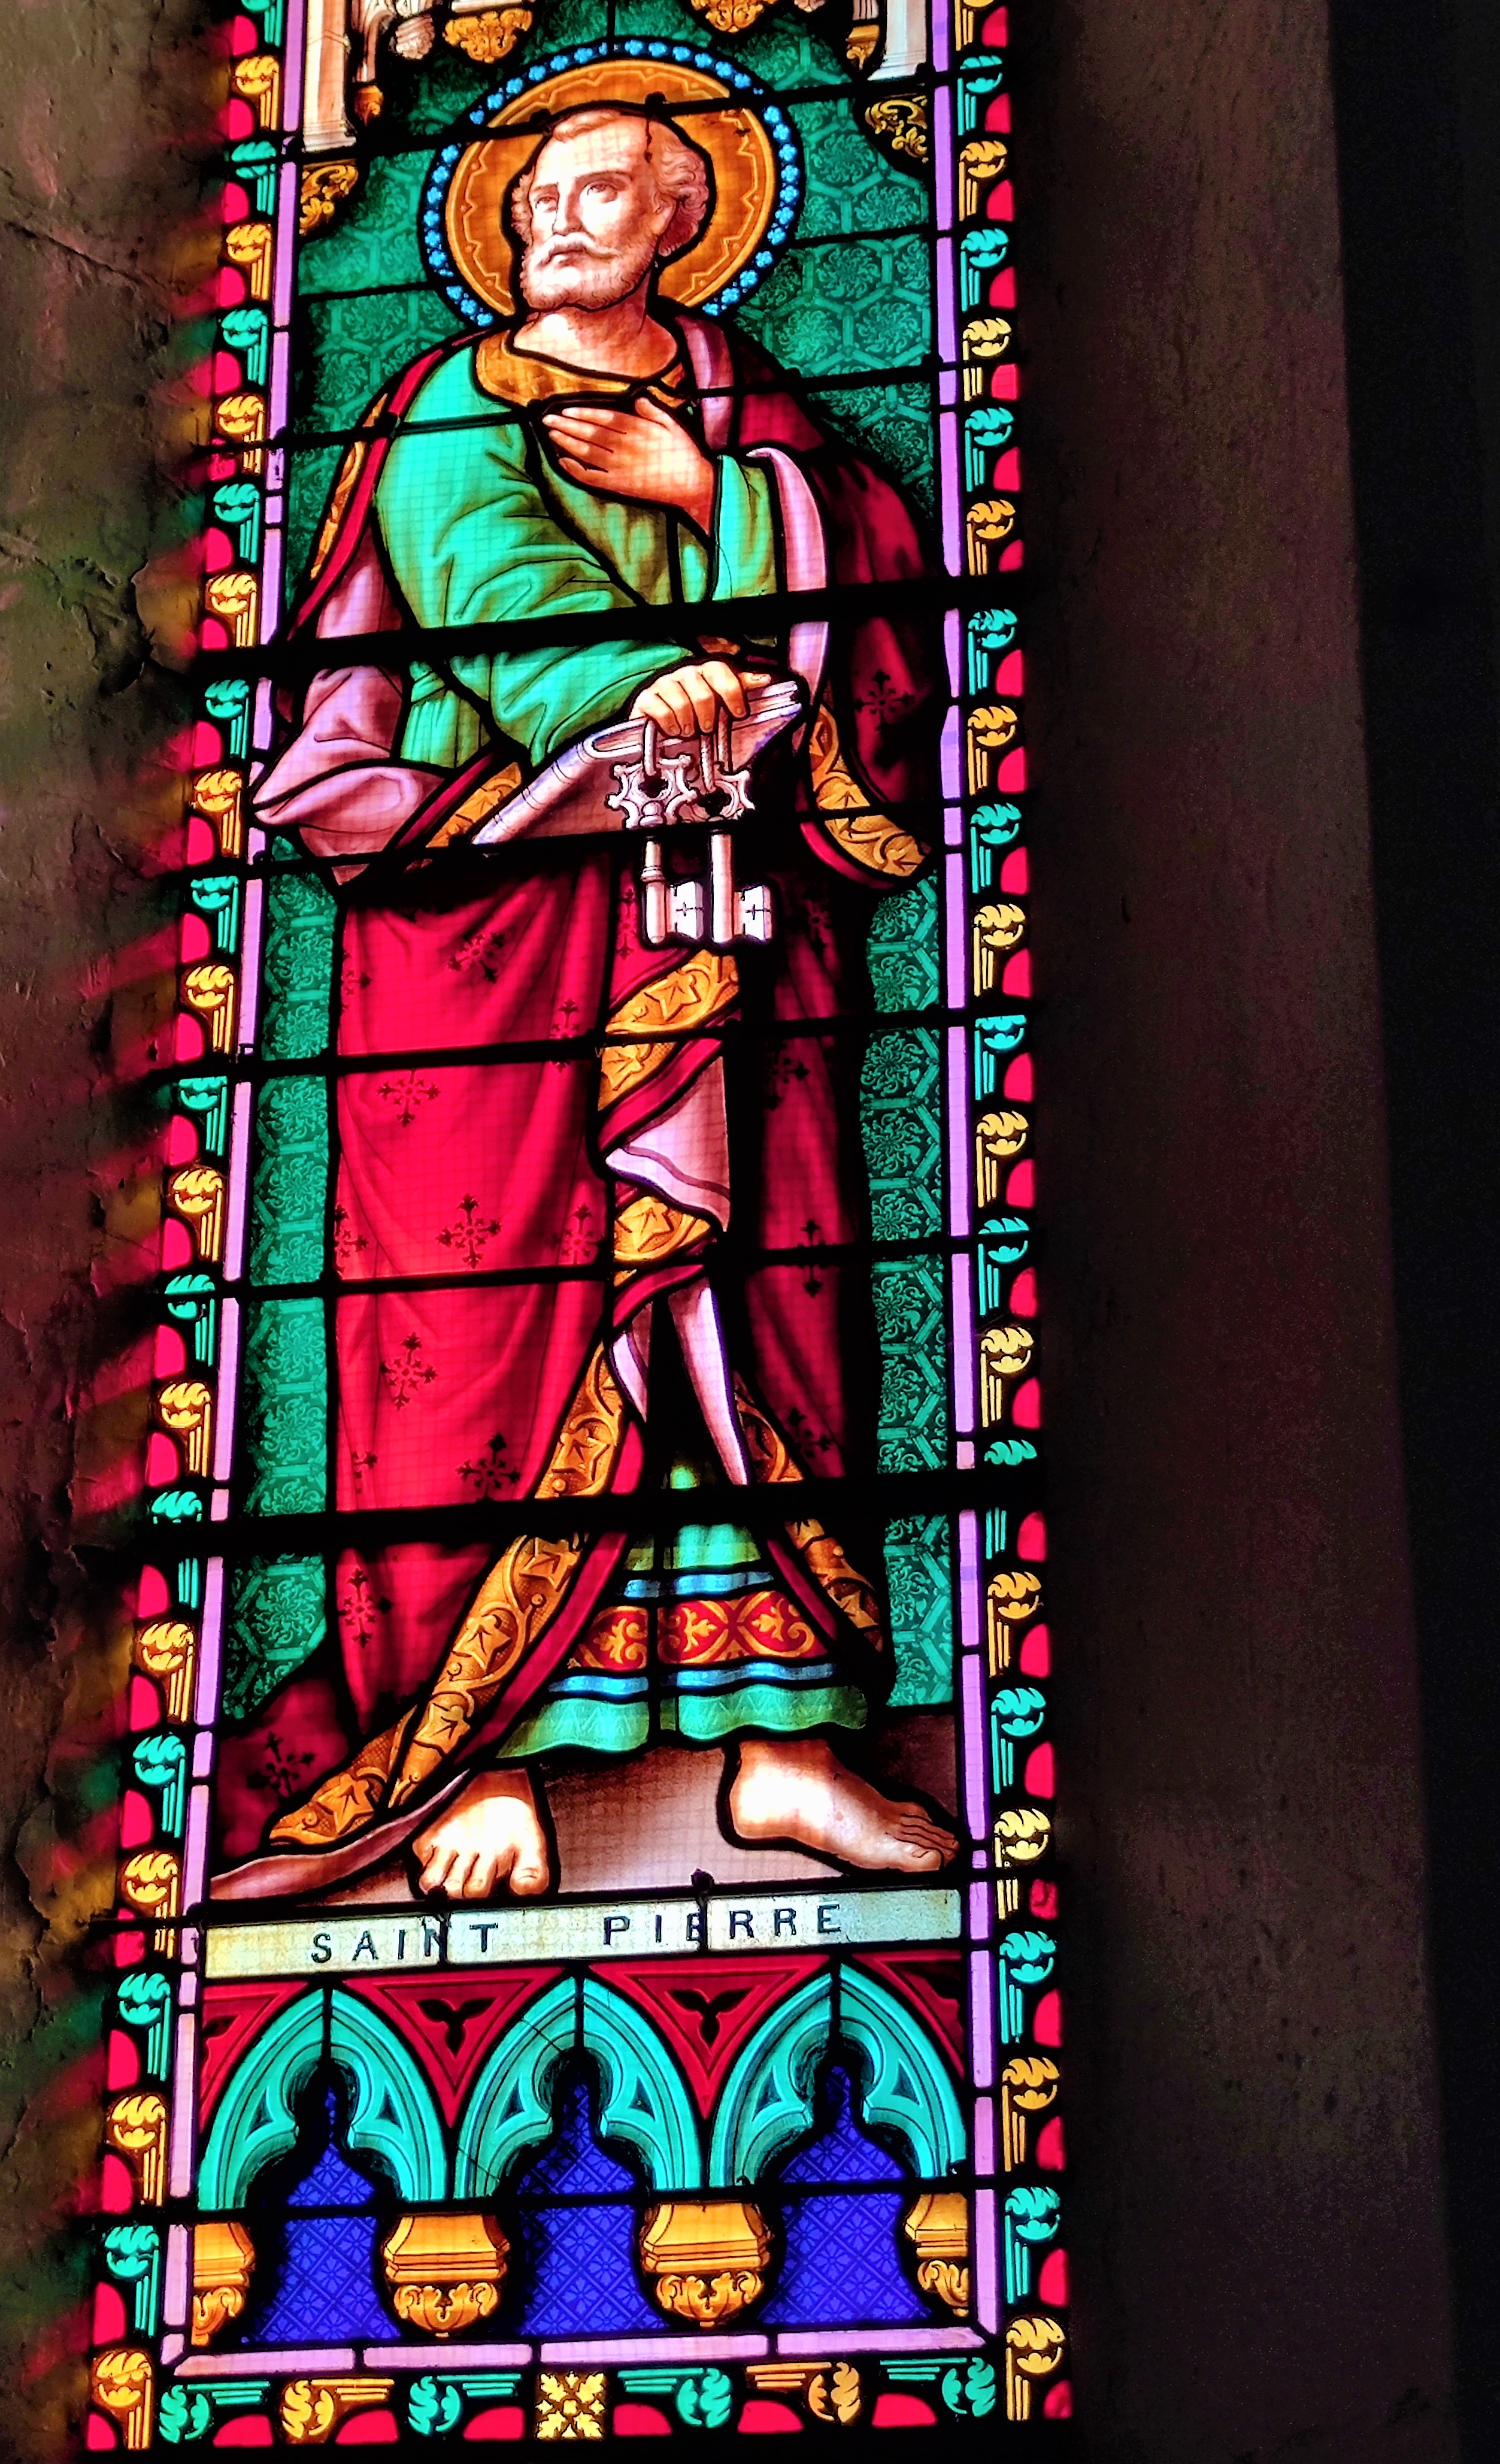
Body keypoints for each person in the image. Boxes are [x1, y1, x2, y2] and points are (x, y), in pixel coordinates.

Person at [211, 98, 955, 1900]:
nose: (556, 211)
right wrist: (651, 684)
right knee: (498, 1323)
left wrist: (711, 494)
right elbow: (481, 578)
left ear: (682, 216)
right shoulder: (446, 399)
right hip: (501, 924)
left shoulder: (753, 410)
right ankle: (485, 1756)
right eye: (534, 190)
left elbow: (875, 589)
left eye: (599, 184)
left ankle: (784, 1742)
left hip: (730, 917)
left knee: (744, 1298)